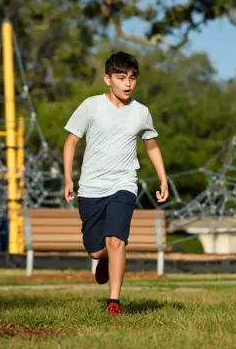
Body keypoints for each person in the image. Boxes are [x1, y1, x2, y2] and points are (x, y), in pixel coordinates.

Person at [62, 51, 169, 317]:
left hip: (124, 184)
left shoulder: (141, 112)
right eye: (121, 77)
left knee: (116, 240)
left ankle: (114, 302)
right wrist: (68, 177)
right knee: (97, 251)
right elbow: (71, 142)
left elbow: (152, 146)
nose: (128, 83)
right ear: (107, 79)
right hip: (91, 188)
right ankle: (104, 260)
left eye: (132, 77)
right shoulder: (91, 106)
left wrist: (163, 178)